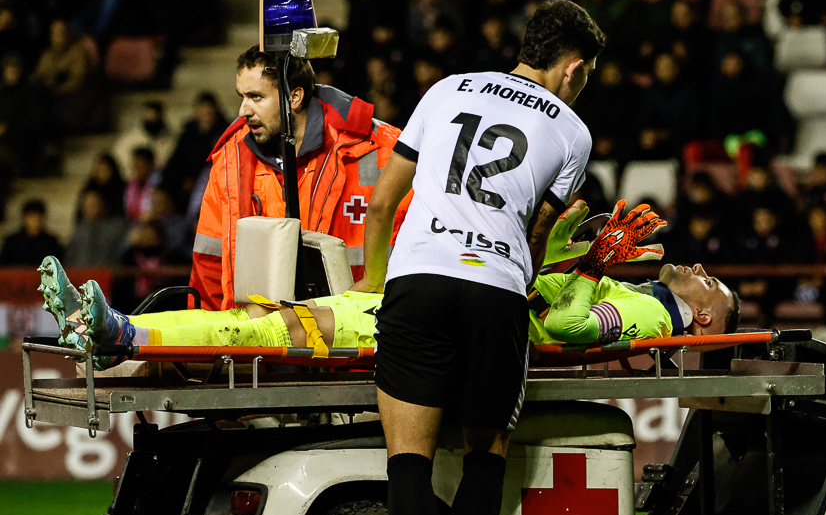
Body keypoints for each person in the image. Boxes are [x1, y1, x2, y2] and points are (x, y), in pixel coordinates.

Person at [356, 0, 605, 515]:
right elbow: (538, 230)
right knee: (485, 452)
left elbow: (382, 203)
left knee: (408, 459)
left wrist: (373, 286)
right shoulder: (573, 131)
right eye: (586, 74)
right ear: (572, 68)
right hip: (495, 288)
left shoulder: (446, 90)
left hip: (419, 278)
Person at [36, 202, 738, 367]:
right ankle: (117, 330)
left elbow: (563, 327)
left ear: (701, 321)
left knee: (264, 330)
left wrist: (587, 271)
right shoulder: (638, 296)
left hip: (429, 325)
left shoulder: (653, 320)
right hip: (429, 301)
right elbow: (546, 290)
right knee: (257, 320)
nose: (702, 272)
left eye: (713, 286)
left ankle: (121, 334)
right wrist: (567, 253)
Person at [190, 46, 409, 311]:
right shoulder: (231, 160)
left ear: (294, 97)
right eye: (242, 97)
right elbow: (209, 263)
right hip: (255, 332)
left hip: (362, 327)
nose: (243, 110)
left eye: (256, 97)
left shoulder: (385, 149)